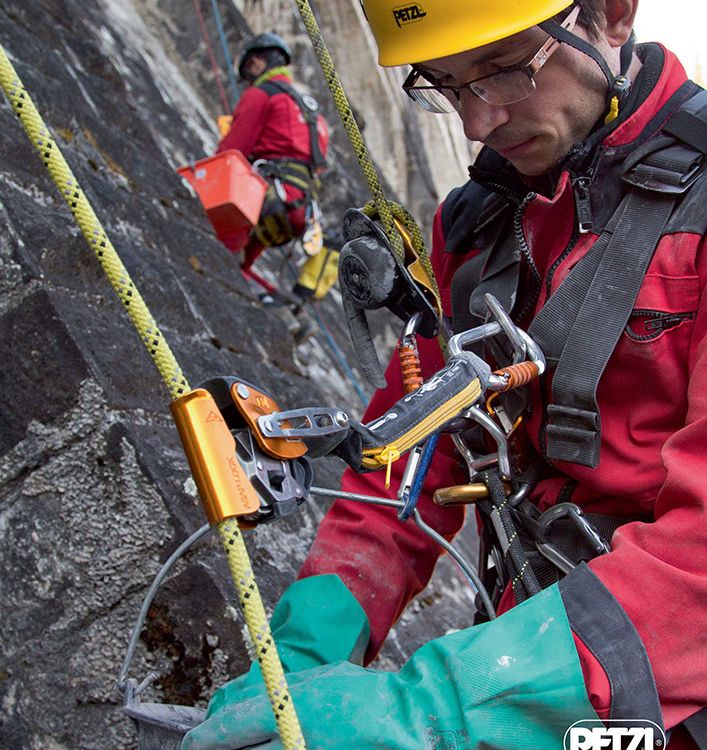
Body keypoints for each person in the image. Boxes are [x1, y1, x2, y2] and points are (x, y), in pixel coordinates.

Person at [183, 1, 706, 748]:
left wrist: (431, 710)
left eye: (500, 70)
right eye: (446, 86)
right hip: (531, 656)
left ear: (610, 15)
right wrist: (303, 651)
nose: (476, 122)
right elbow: (403, 454)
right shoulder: (477, 231)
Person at [216, 32, 341, 319]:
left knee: (220, 251)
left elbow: (232, 151)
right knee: (241, 262)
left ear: (258, 61)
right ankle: (285, 313)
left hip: (266, 199)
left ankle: (233, 284)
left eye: (250, 68)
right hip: (300, 210)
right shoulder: (312, 112)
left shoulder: (262, 94)